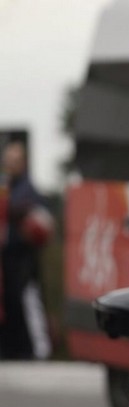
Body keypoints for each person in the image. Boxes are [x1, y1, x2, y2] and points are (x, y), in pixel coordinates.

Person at [0, 141, 53, 360]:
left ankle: (38, 350)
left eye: (15, 161)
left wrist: (19, 213)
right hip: (5, 260)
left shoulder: (28, 190)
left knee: (28, 301)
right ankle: (11, 348)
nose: (11, 165)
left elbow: (43, 224)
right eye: (8, 161)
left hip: (23, 259)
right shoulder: (5, 187)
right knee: (9, 304)